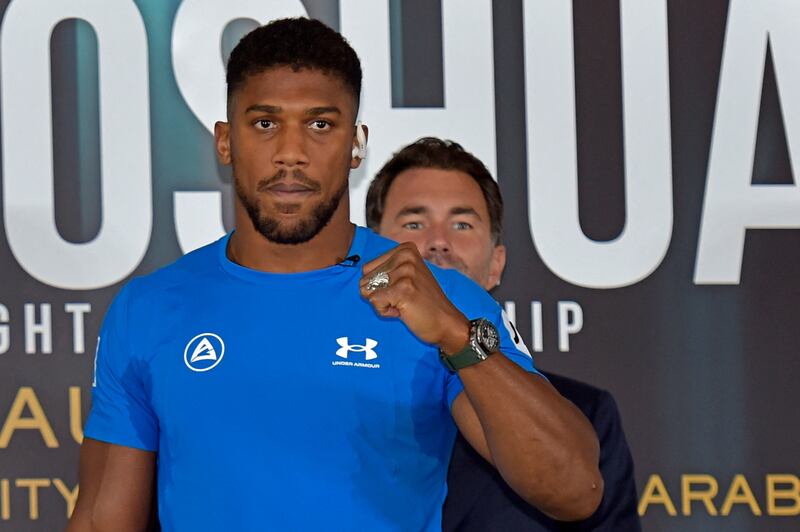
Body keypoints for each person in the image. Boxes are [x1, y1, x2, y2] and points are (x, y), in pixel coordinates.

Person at [67, 19, 602, 531]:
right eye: (265, 123)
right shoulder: (150, 309)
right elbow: (99, 520)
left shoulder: (441, 301)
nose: (291, 154)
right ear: (226, 141)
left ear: (356, 144)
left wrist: (457, 336)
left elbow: (574, 490)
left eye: (320, 125)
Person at [366, 137, 641, 531]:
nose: (438, 242)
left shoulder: (583, 414)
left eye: (462, 224)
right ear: (372, 251)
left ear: (496, 266)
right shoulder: (335, 393)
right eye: (414, 223)